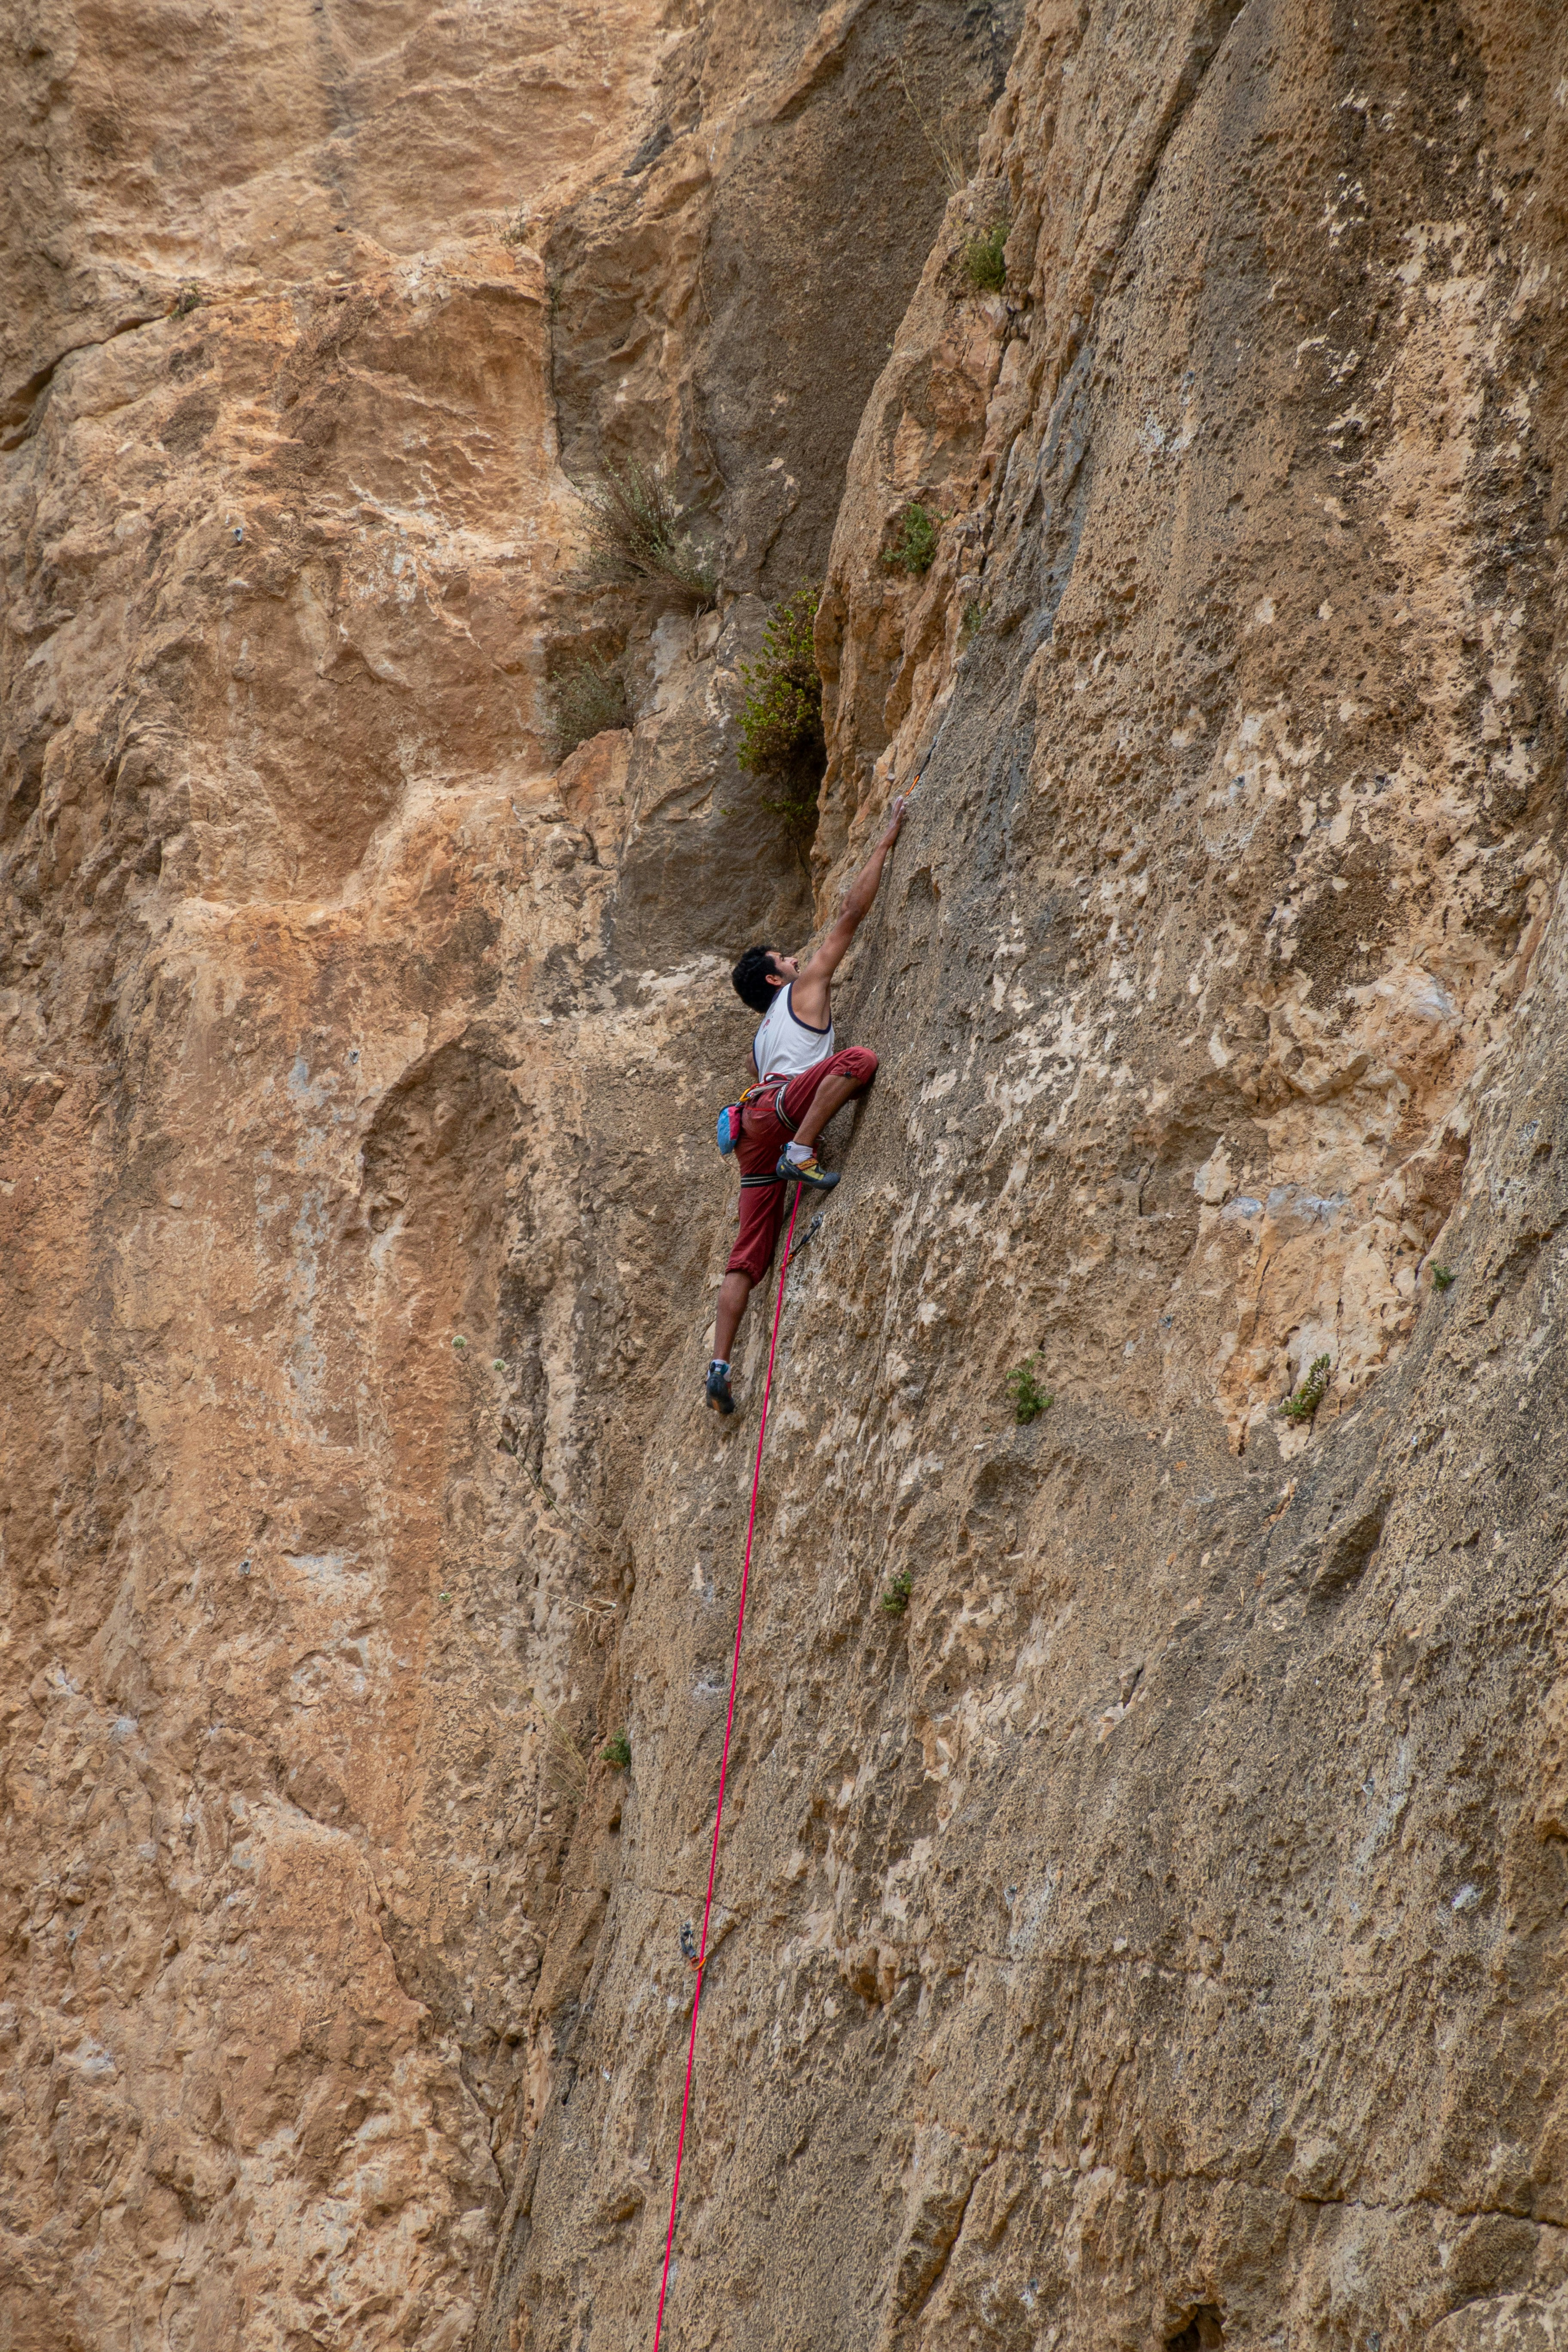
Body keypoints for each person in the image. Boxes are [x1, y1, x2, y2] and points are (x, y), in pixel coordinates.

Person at [705, 793, 909, 1414]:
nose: (798, 959)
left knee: (747, 1255)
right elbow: (851, 913)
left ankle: (718, 1366)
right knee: (859, 1063)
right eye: (786, 960)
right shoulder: (806, 989)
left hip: (750, 1130)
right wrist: (884, 842)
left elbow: (759, 1076)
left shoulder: (759, 1039)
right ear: (776, 979)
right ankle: (802, 1151)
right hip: (783, 1120)